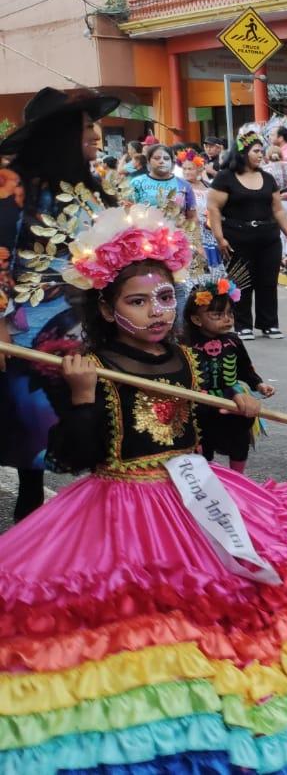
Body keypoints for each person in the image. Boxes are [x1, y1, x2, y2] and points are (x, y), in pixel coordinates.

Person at [0, 204, 287, 770]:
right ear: (108, 310)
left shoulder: (184, 358)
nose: (158, 311)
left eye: (165, 297)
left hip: (195, 491)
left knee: (234, 598)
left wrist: (239, 409)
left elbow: (200, 433)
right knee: (143, 617)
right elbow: (74, 456)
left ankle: (237, 704)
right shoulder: (89, 365)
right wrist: (83, 396)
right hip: (122, 503)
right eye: (138, 301)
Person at [0, 86, 117, 521]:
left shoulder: (87, 187)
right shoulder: (11, 184)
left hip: (90, 325)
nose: (95, 134)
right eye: (85, 127)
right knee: (32, 435)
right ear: (59, 134)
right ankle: (28, 528)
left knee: (96, 421)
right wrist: (1, 323)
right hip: (29, 329)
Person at [207, 132, 287, 340]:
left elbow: (278, 210)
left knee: (267, 281)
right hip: (236, 237)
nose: (260, 154)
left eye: (261, 151)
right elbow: (214, 209)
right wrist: (220, 238)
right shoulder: (225, 177)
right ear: (242, 153)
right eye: (256, 151)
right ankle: (242, 324)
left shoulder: (267, 178)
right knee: (241, 281)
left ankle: (269, 323)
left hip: (268, 238)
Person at [184, 272, 273, 471]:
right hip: (200, 400)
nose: (227, 319)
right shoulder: (186, 344)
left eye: (230, 314)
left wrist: (258, 384)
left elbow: (245, 368)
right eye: (217, 315)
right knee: (203, 441)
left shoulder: (234, 341)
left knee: (239, 439)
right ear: (197, 319)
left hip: (233, 397)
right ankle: (205, 478)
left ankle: (238, 479)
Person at [126, 143, 197, 223]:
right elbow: (127, 212)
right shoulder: (136, 182)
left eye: (166, 158)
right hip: (145, 232)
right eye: (157, 158)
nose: (162, 161)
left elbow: (192, 217)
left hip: (177, 232)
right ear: (148, 161)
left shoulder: (184, 185)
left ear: (172, 162)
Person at [178, 146, 223, 269]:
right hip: (191, 231)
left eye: (190, 169)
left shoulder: (208, 186)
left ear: (199, 169)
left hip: (209, 231)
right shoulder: (180, 187)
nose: (187, 172)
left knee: (212, 266)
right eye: (184, 169)